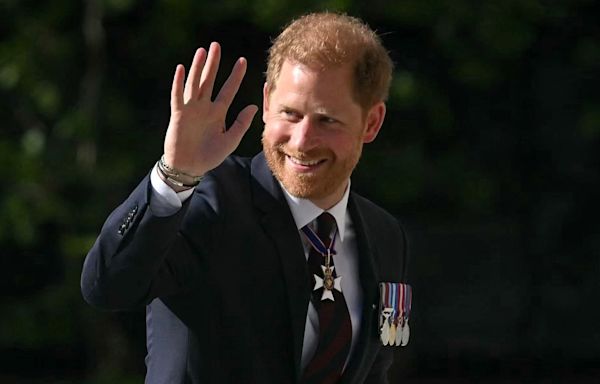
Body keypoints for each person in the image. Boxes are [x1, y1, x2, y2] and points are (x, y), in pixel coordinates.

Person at [81, 12, 410, 384]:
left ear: (371, 123)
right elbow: (106, 287)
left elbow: (372, 370)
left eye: (327, 120)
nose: (301, 141)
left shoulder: (384, 235)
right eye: (290, 113)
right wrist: (174, 176)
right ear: (267, 102)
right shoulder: (207, 199)